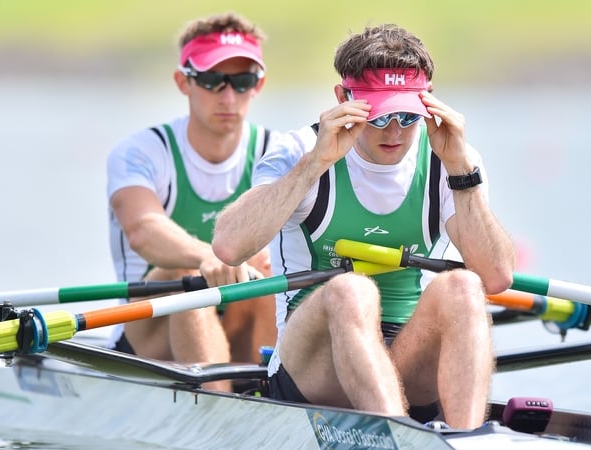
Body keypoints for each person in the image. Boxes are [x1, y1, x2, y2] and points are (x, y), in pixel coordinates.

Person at [212, 23, 514, 427]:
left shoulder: (453, 158)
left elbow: (496, 276)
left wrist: (462, 170)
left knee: (463, 286)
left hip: (405, 358)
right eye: (379, 115)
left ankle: (466, 436)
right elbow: (230, 246)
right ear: (343, 99)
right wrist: (315, 164)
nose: (395, 131)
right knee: (351, 290)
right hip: (313, 365)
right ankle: (395, 434)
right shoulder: (300, 150)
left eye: (409, 115)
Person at [106, 11, 278, 391]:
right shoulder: (142, 152)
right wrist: (207, 256)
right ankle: (219, 405)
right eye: (213, 80)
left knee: (269, 271)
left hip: (241, 323)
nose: (229, 97)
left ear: (259, 84)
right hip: (148, 334)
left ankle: (271, 393)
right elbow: (141, 229)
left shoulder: (276, 154)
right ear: (183, 82)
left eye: (242, 81)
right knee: (184, 278)